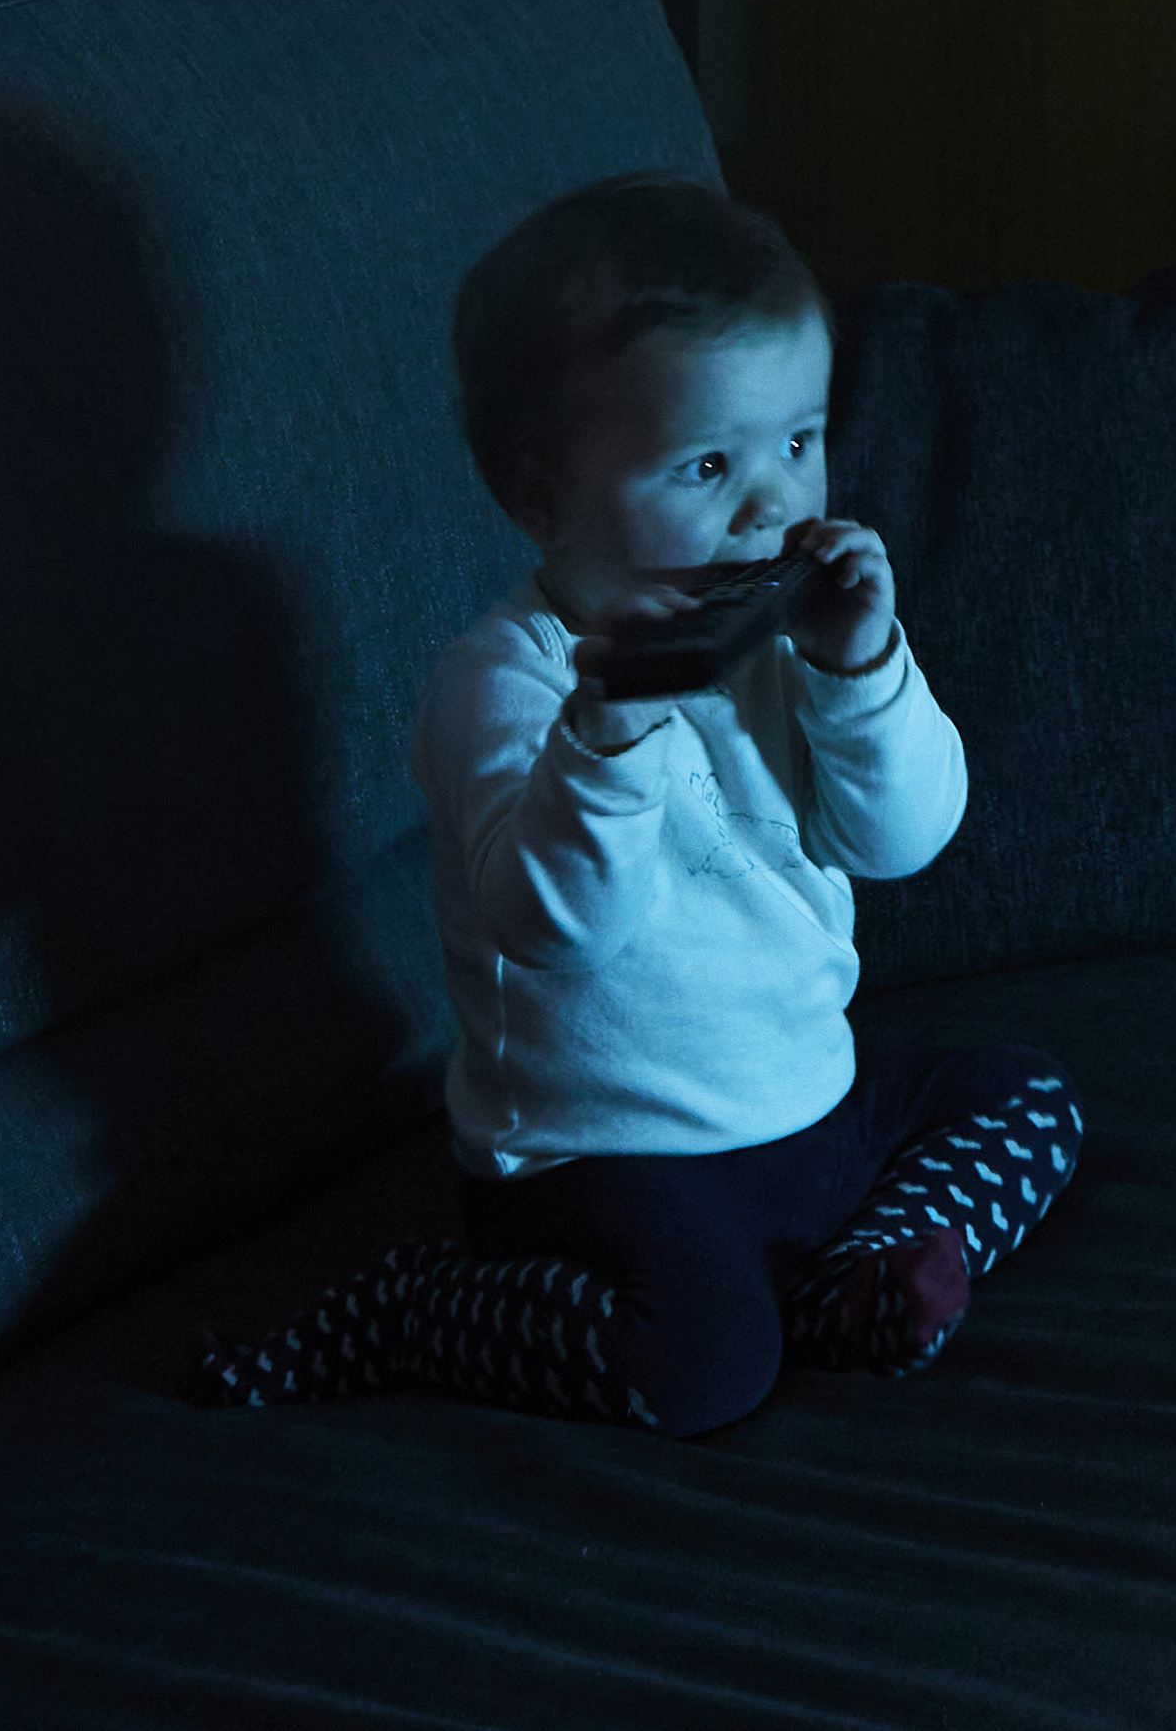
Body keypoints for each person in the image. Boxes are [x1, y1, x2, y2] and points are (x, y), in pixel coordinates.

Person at [196, 178, 1082, 1427]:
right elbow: (557, 930)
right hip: (602, 1160)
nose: (771, 506)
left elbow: (902, 841)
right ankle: (410, 1305)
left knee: (1027, 1098)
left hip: (806, 1103)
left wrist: (862, 669)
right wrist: (609, 730)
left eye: (798, 444)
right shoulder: (503, 684)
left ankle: (845, 1282)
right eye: (708, 464)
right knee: (701, 1368)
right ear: (541, 496)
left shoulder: (798, 642)